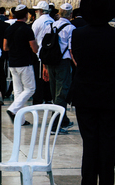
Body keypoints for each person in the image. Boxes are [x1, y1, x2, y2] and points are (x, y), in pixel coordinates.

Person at [69, 0, 115, 185]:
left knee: (90, 141)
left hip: (85, 93)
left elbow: (76, 60)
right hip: (111, 94)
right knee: (109, 142)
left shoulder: (78, 34)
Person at [43, 3, 75, 134]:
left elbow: (43, 47)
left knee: (55, 92)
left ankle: (64, 120)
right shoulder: (71, 28)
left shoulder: (50, 26)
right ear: (71, 14)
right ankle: (55, 126)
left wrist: (44, 66)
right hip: (63, 63)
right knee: (61, 94)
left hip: (50, 62)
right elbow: (71, 49)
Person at [4, 5, 38, 125]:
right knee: (30, 88)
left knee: (18, 91)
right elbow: (34, 48)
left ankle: (20, 120)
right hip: (24, 62)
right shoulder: (27, 29)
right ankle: (13, 109)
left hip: (12, 62)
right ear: (26, 15)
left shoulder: (9, 29)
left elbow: (5, 47)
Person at [31, 1, 54, 106]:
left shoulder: (37, 22)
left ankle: (38, 98)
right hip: (50, 53)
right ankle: (48, 97)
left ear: (40, 11)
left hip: (39, 53)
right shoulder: (53, 21)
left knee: (39, 77)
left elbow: (33, 37)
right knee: (48, 76)